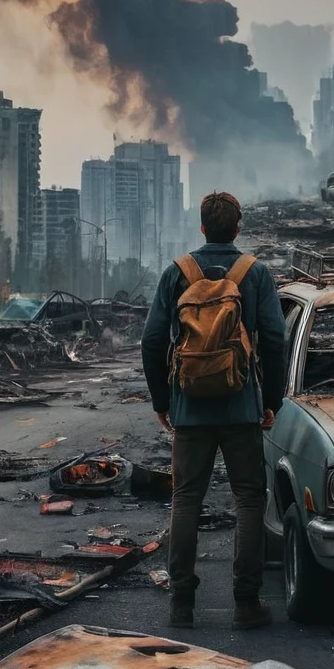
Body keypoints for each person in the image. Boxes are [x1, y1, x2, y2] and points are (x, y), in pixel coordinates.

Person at [141, 190, 286, 630]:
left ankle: (182, 605)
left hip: (189, 408)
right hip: (241, 406)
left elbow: (151, 340)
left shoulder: (177, 273)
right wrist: (272, 402)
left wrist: (163, 401)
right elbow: (276, 340)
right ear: (237, 228)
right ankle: (246, 602)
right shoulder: (254, 273)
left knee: (186, 500)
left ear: (202, 226)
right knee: (247, 499)